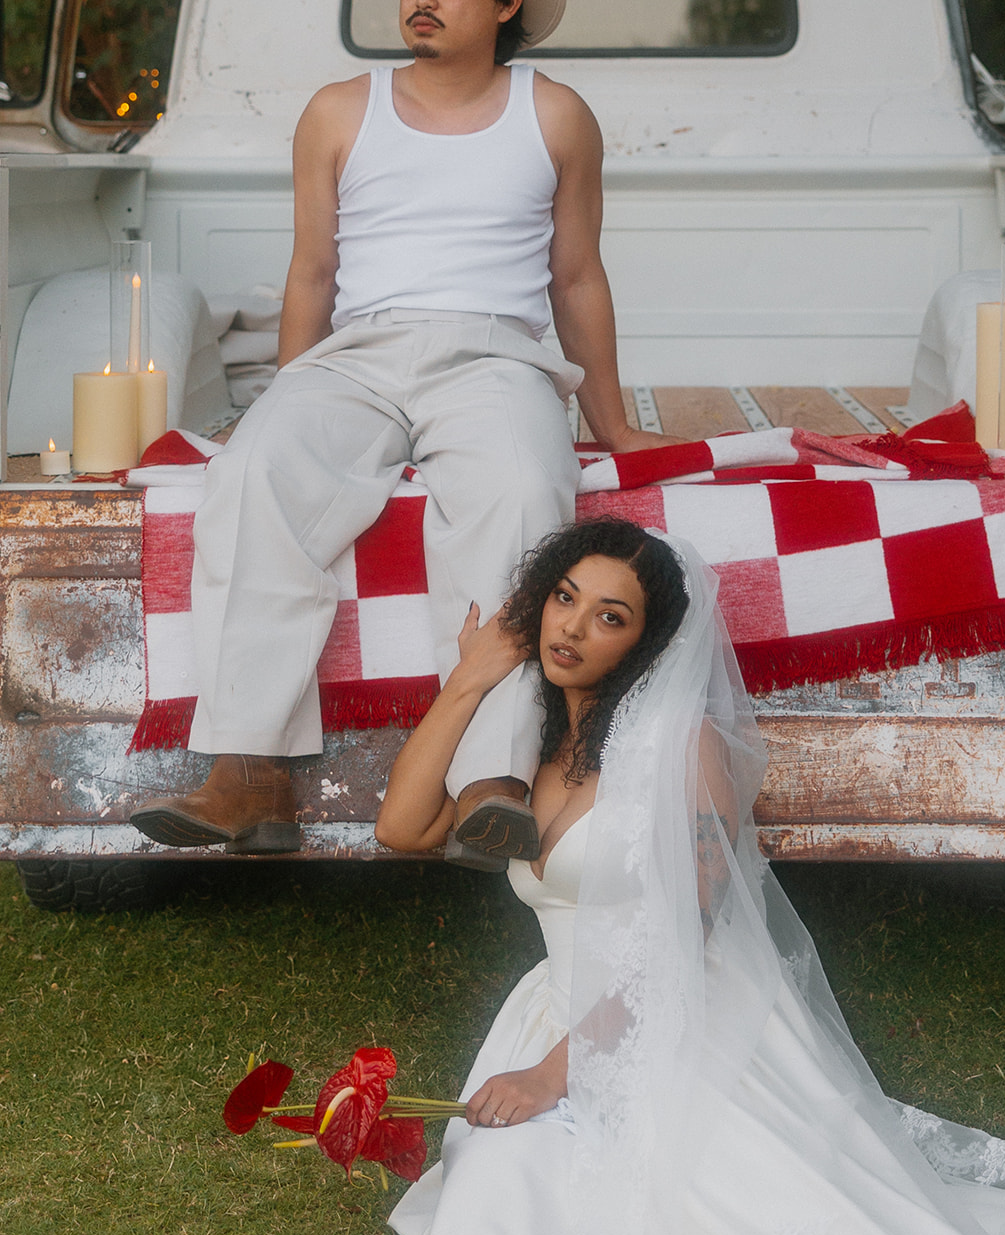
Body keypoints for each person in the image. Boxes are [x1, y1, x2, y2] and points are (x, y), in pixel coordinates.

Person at [379, 517, 1005, 1235]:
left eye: (608, 617)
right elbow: (399, 830)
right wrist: (471, 677)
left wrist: (555, 1072)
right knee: (490, 1179)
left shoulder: (680, 747)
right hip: (557, 1010)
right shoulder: (530, 747)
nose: (572, 627)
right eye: (562, 597)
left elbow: (681, 942)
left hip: (665, 1019)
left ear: (642, 645)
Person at [129, 0, 681, 866]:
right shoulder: (340, 110)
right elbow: (313, 270)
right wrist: (287, 395)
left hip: (494, 355)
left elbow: (575, 277)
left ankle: (488, 779)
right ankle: (249, 772)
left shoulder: (555, 113)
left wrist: (610, 424)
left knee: (523, 491)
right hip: (357, 354)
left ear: (507, 5)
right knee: (253, 474)